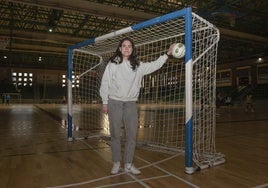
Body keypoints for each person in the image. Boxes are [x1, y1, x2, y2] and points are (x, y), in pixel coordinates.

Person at [100, 37, 174, 175]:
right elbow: (105, 83)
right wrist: (105, 102)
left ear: (132, 49)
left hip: (131, 104)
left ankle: (128, 164)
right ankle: (116, 162)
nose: (127, 48)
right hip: (114, 102)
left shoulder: (138, 65)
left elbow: (154, 65)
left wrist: (167, 53)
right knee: (115, 134)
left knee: (132, 135)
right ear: (120, 48)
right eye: (124, 46)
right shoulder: (113, 64)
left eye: (129, 46)